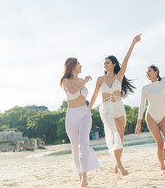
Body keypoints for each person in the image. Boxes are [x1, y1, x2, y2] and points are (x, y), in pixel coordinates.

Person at [89, 34, 141, 176]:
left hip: (118, 107)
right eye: (104, 63)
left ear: (113, 65)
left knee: (121, 138)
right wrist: (89, 109)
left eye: (107, 63)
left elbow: (126, 60)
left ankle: (117, 164)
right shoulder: (100, 79)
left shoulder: (119, 76)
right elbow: (94, 95)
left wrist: (133, 42)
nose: (105, 65)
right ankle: (121, 166)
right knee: (114, 135)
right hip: (106, 109)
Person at [60, 58, 99, 187]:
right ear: (72, 66)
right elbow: (72, 91)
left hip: (84, 113)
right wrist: (85, 81)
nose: (81, 66)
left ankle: (85, 176)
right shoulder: (66, 81)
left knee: (83, 144)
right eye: (78, 64)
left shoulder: (82, 81)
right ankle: (79, 176)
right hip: (71, 115)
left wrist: (84, 82)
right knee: (75, 147)